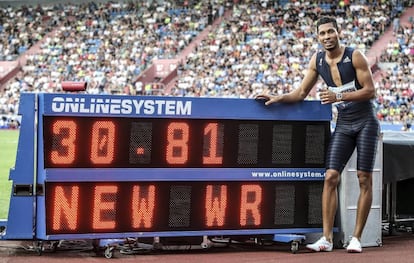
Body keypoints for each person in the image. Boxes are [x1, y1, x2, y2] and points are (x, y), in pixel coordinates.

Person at [256, 16, 380, 253]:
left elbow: (370, 91)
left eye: (330, 32)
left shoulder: (354, 56)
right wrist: (278, 97)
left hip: (365, 122)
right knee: (330, 177)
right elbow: (301, 92)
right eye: (322, 33)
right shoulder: (318, 60)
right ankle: (326, 239)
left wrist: (339, 97)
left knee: (364, 178)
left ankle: (356, 238)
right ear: (318, 37)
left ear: (338, 32)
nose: (327, 37)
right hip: (344, 123)